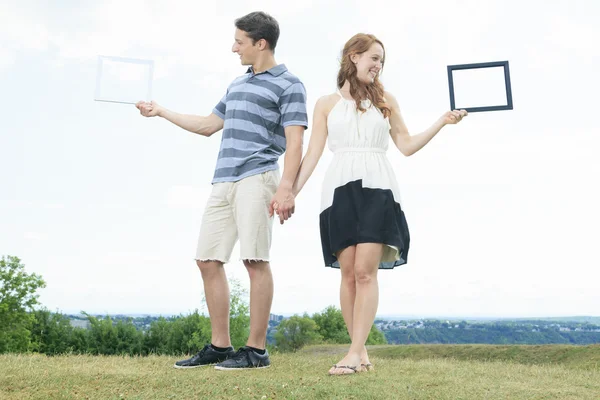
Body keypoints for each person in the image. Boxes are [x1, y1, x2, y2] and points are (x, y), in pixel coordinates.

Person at [135, 11, 308, 370]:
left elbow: (295, 143)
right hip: (223, 179)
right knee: (207, 259)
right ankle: (220, 345)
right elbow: (208, 125)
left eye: (239, 42)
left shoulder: (290, 84)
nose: (234, 48)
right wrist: (160, 111)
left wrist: (287, 189)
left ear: (261, 44)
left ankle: (256, 350)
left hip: (258, 177)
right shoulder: (237, 84)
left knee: (254, 259)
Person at [290, 33, 467, 375]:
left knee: (365, 272)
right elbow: (312, 154)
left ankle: (354, 353)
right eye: (373, 58)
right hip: (339, 189)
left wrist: (441, 123)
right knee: (348, 274)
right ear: (353, 57)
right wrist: (290, 193)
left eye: (382, 60)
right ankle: (362, 351)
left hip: (378, 187)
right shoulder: (326, 103)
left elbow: (406, 145)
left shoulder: (386, 100)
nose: (378, 65)